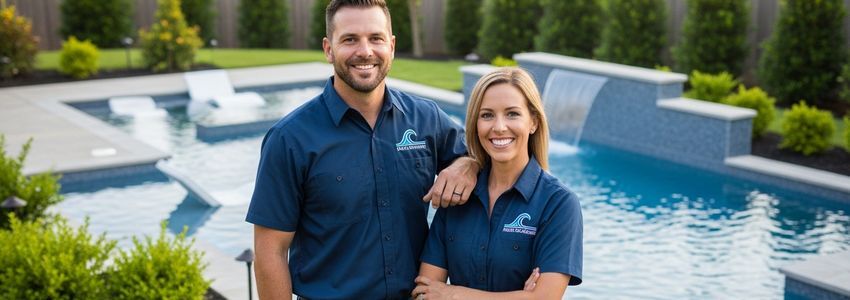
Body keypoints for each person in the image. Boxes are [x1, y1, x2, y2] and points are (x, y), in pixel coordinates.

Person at [245, 0, 480, 299]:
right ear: (329, 49)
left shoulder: (427, 119)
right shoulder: (289, 139)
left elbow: (482, 156)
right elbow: (270, 252)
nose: (365, 51)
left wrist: (467, 164)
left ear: (392, 45)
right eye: (350, 39)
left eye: (376, 38)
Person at [412, 67, 584, 299]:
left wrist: (453, 294)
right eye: (487, 115)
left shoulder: (558, 204)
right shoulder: (457, 196)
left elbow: (544, 297)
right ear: (475, 124)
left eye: (512, 114)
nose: (499, 127)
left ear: (533, 121)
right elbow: (425, 292)